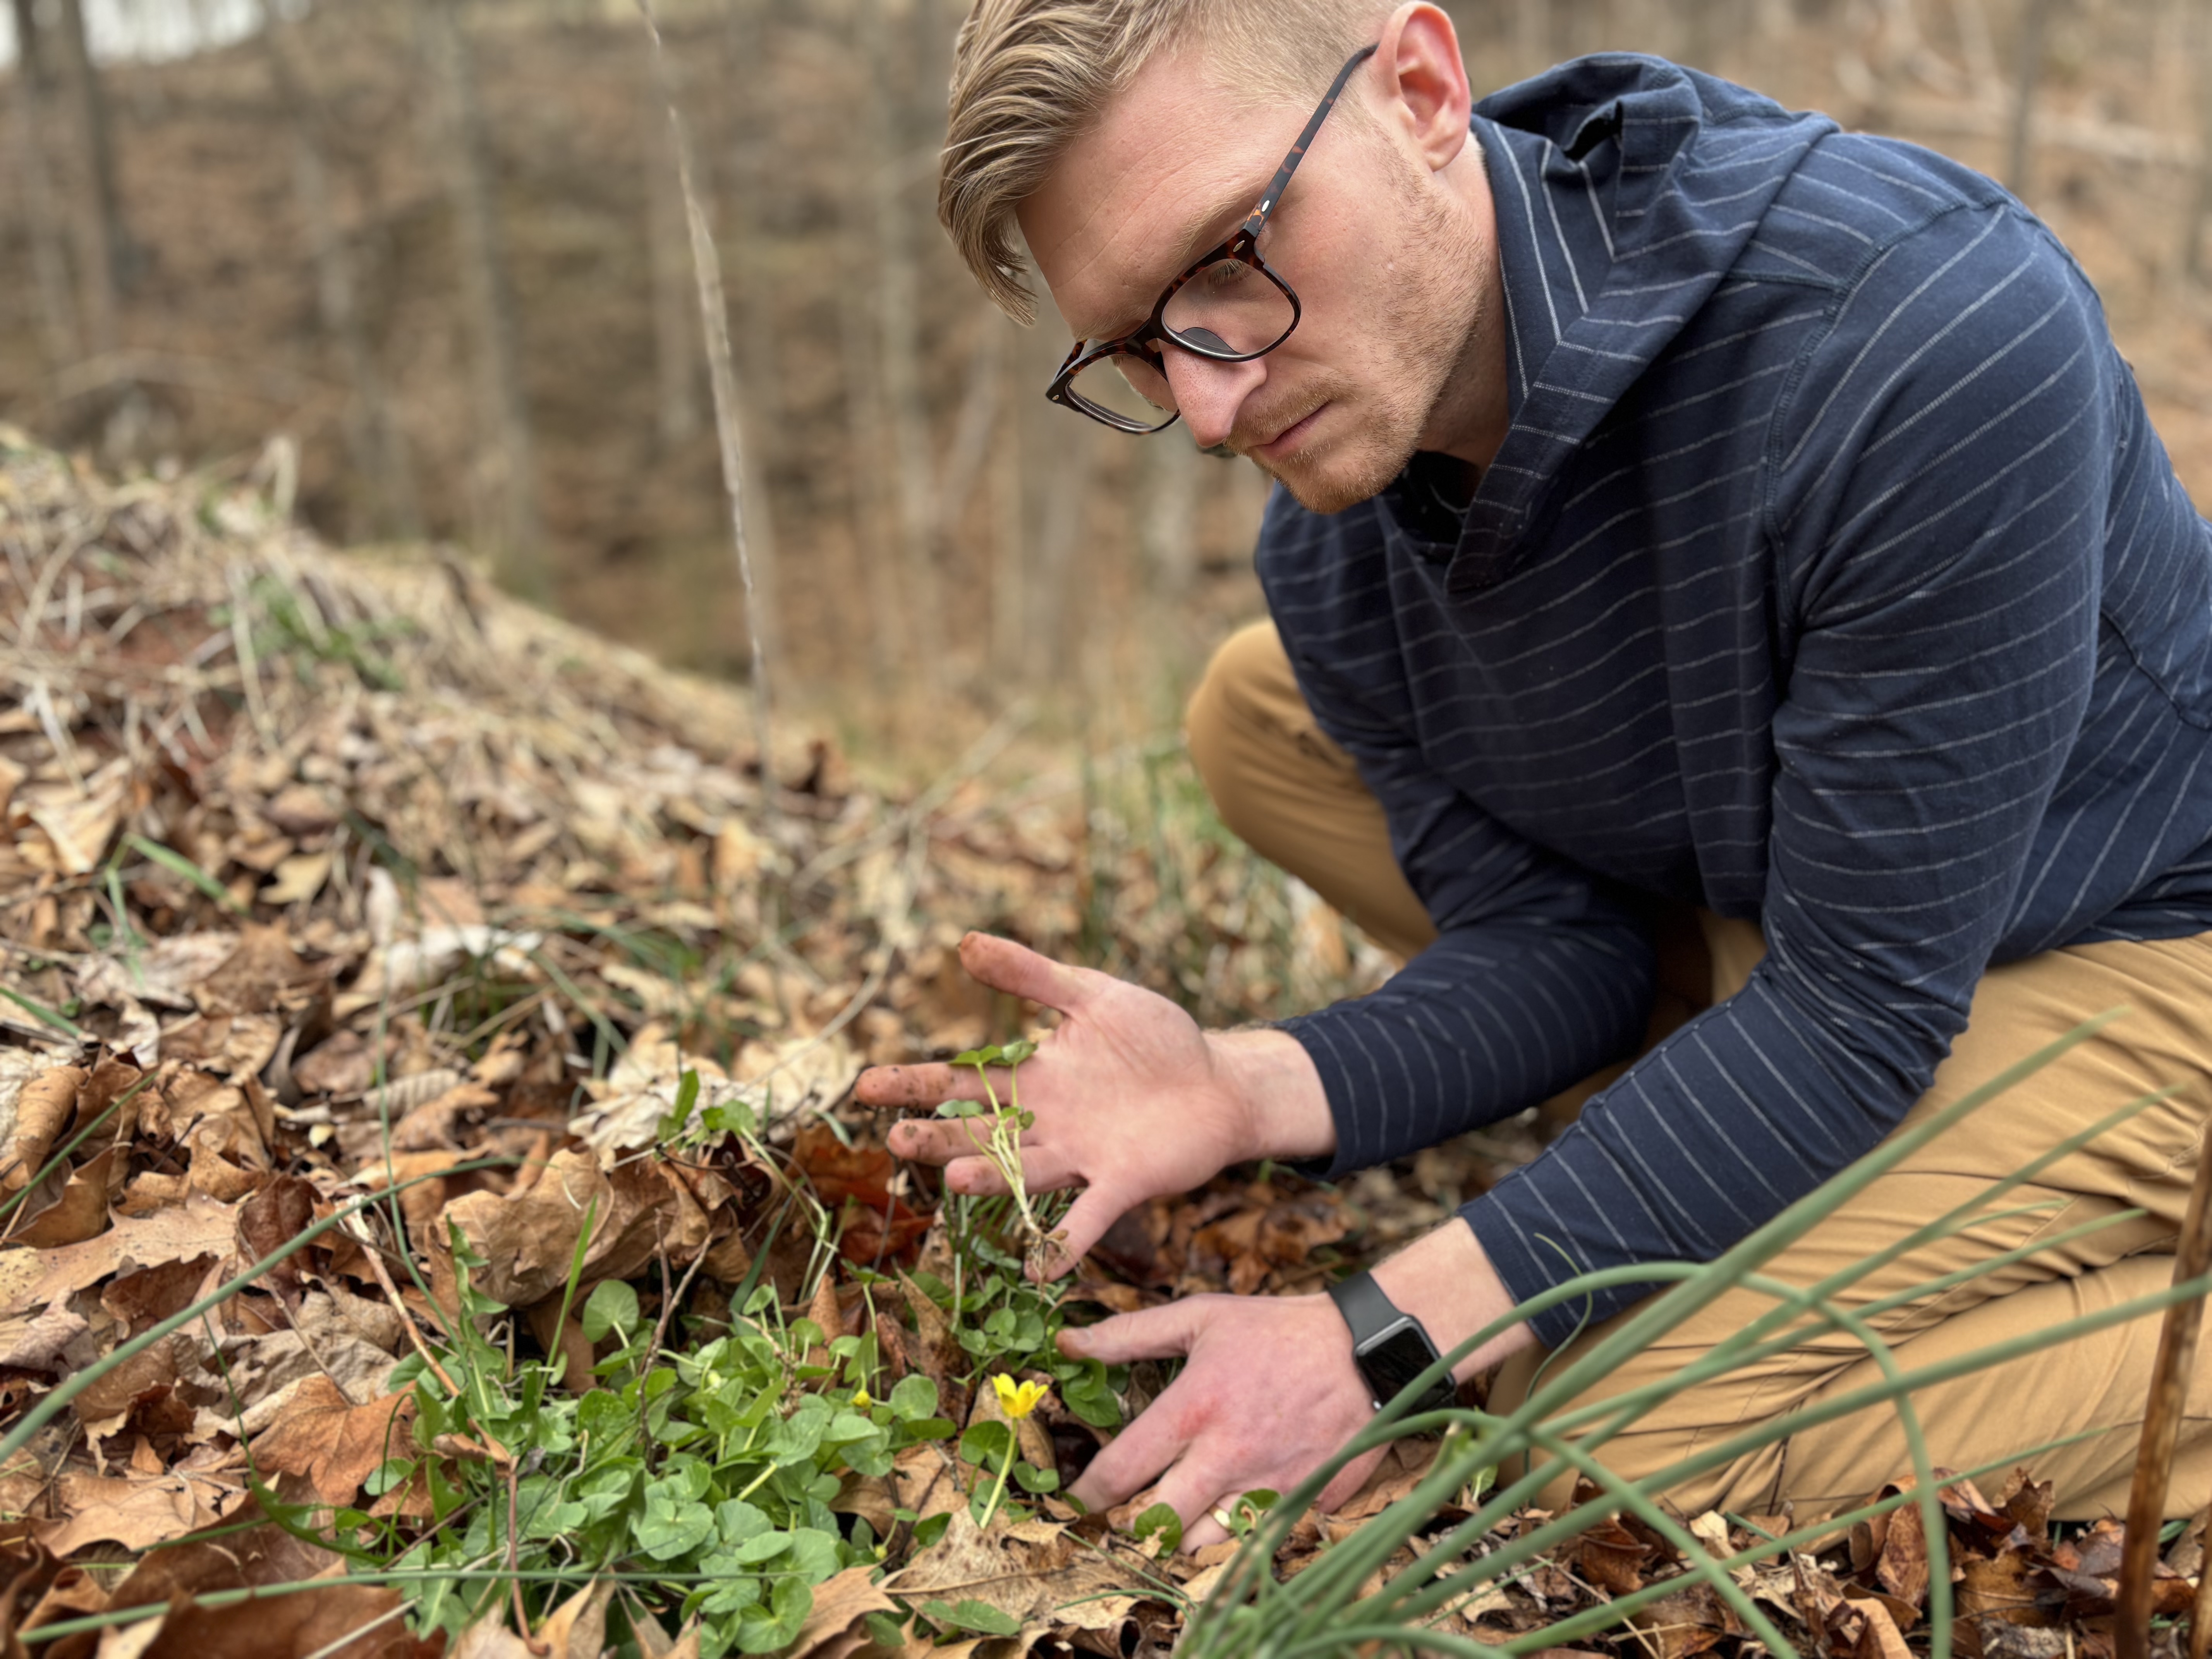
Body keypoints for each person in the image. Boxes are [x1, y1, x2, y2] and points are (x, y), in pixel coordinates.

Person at [857, 0, 2212, 1551]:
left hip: (2138, 928)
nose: (1213, 404)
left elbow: (1855, 1010)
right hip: (1807, 911)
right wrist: (1244, 1084)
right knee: (1256, 709)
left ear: (1422, 89)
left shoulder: (1913, 332)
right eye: (1140, 347)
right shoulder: (1339, 538)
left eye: (1229, 259)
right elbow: (1563, 944)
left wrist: (1376, 1337)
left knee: (1612, 1444)